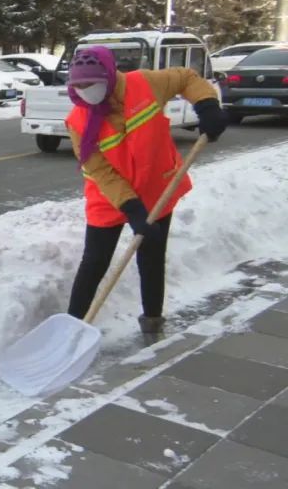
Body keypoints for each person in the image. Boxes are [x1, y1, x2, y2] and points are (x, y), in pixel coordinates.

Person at [64, 46, 227, 340]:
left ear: (109, 77)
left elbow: (186, 78)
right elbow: (100, 171)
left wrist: (206, 105)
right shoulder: (78, 120)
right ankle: (69, 330)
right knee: (94, 261)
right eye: (79, 86)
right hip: (109, 196)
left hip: (155, 189)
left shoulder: (145, 83)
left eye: (91, 84)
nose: (85, 92)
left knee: (151, 256)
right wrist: (131, 207)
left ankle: (152, 323)